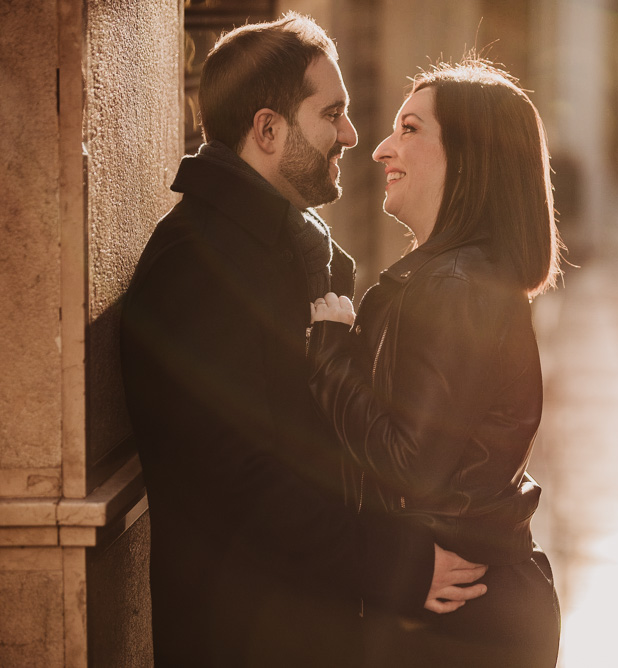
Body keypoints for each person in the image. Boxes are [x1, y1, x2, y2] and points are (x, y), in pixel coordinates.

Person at [119, 14, 485, 667]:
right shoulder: (194, 265)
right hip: (240, 637)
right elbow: (241, 478)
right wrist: (398, 566)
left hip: (317, 627)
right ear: (267, 129)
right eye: (332, 113)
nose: (350, 134)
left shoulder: (304, 250)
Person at [308, 57, 562, 666]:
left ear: (469, 157)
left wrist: (329, 356)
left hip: (457, 620)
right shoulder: (457, 278)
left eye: (412, 129)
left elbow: (410, 463)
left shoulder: (455, 285)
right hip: (468, 605)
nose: (381, 149)